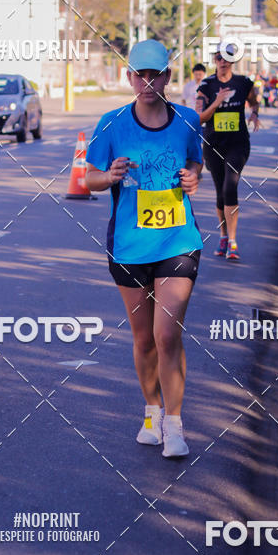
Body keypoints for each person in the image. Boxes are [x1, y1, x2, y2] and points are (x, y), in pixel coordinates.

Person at [85, 39, 203, 458]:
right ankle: (151, 410)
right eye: (140, 74)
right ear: (129, 76)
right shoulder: (112, 123)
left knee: (167, 334)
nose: (148, 82)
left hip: (178, 239)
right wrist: (110, 176)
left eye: (156, 74)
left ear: (168, 77)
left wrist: (192, 178)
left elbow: (195, 164)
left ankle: (175, 425)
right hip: (129, 244)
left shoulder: (188, 120)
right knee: (144, 340)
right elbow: (89, 179)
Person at [196, 46, 260, 260]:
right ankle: (223, 236)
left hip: (238, 144)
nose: (223, 62)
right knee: (220, 192)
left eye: (227, 58)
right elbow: (199, 117)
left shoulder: (243, 82)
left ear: (232, 61)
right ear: (214, 61)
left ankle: (233, 241)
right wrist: (217, 102)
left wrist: (254, 113)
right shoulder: (207, 85)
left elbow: (254, 100)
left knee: (230, 186)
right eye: (218, 58)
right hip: (213, 145)